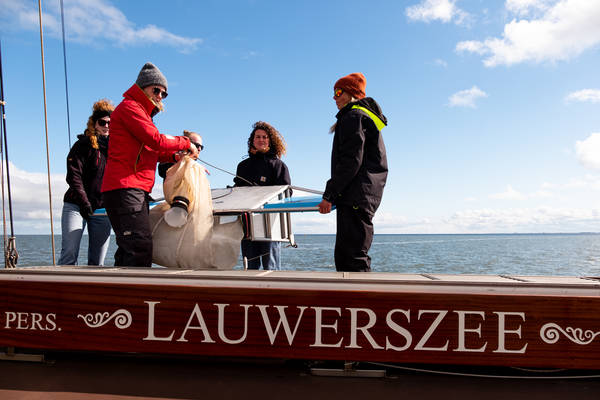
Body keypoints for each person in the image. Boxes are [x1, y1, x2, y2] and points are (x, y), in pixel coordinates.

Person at [101, 62, 199, 267]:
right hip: (125, 188)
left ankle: (120, 294)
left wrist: (174, 157)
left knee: (130, 245)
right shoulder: (130, 108)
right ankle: (135, 296)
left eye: (164, 93)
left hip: (131, 189)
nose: (160, 96)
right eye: (156, 90)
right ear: (142, 87)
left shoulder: (140, 113)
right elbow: (155, 139)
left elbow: (151, 151)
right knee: (139, 246)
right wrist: (185, 142)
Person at [318, 73, 388, 272]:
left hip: (355, 197)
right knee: (352, 255)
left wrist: (329, 195)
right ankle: (352, 299)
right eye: (333, 93)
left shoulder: (353, 117)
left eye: (338, 92)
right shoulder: (361, 117)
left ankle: (359, 300)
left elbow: (351, 162)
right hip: (362, 195)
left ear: (351, 94)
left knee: (351, 258)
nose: (334, 97)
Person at [58, 99, 114, 266]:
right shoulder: (82, 145)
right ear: (94, 124)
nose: (106, 126)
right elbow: (73, 176)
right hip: (76, 206)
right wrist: (84, 202)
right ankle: (63, 289)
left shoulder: (116, 148)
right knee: (69, 254)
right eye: (102, 122)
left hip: (102, 210)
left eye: (110, 123)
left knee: (97, 263)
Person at [234, 121, 291, 270]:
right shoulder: (242, 166)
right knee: (249, 266)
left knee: (270, 268)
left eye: (265, 137)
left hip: (270, 225)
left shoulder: (278, 165)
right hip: (248, 223)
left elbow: (287, 192)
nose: (261, 140)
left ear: (270, 141)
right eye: (258, 137)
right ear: (252, 141)